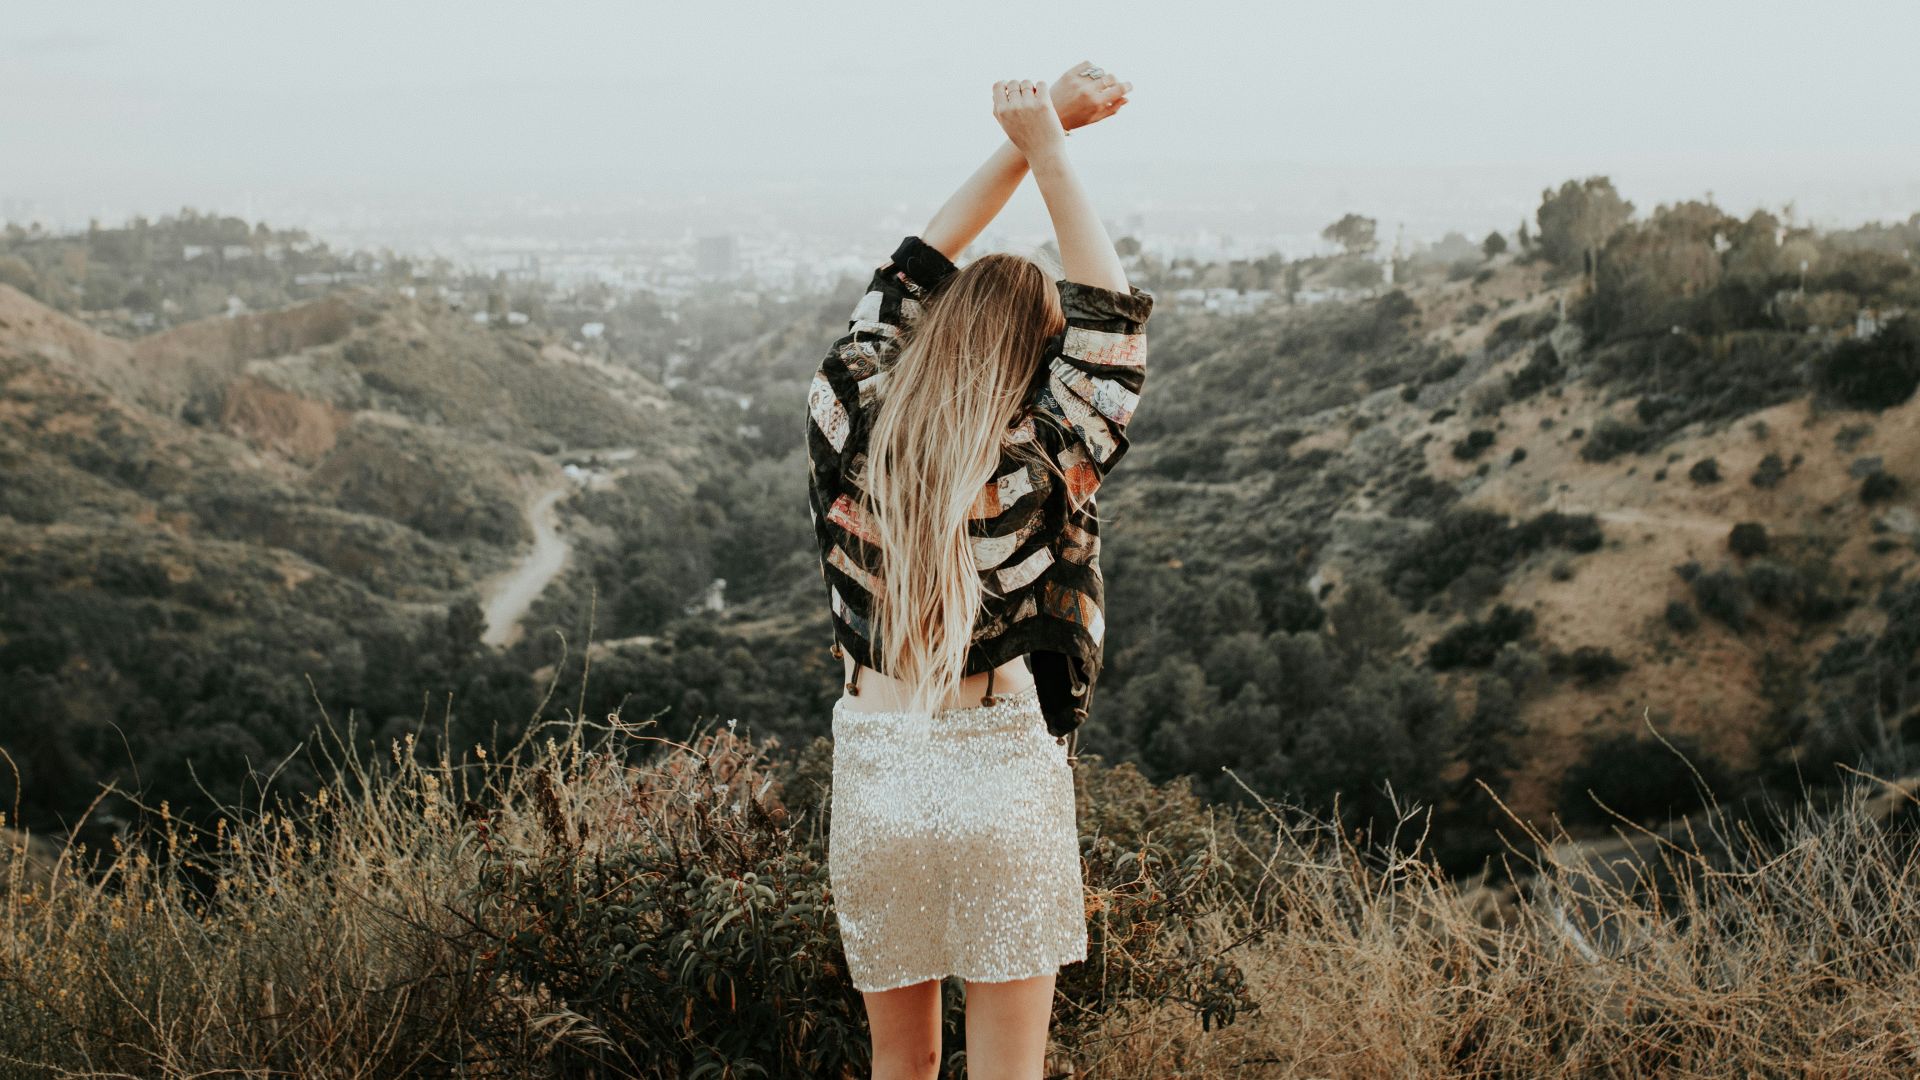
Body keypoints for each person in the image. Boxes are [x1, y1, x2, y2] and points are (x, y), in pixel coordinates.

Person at [804, 61, 1152, 1080]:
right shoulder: (1046, 456)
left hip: (876, 765)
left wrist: (1026, 134)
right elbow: (1112, 328)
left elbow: (912, 264)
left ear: (933, 331)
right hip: (996, 769)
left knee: (898, 1070)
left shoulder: (847, 411)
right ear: (1038, 364)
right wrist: (1052, 145)